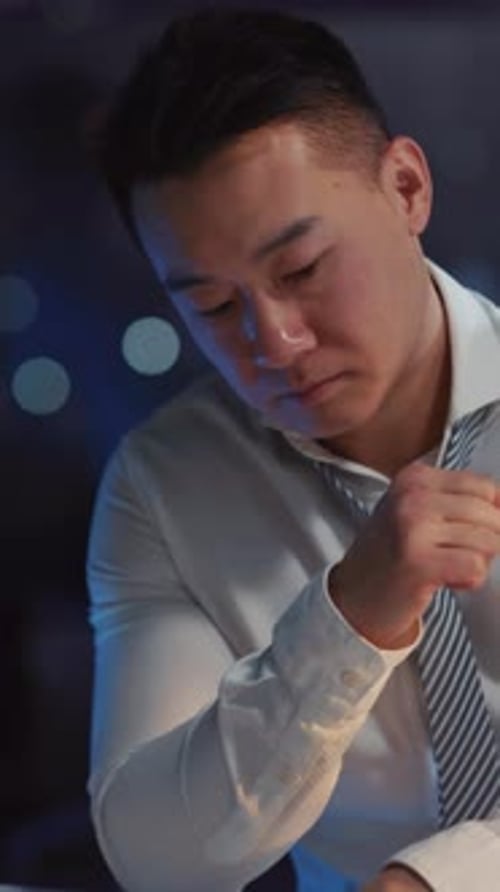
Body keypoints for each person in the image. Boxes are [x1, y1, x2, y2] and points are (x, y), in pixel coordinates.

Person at [86, 7, 500, 892]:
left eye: (303, 270)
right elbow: (160, 861)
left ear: (407, 188)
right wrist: (349, 618)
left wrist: (438, 881)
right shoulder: (164, 487)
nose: (274, 344)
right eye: (212, 306)